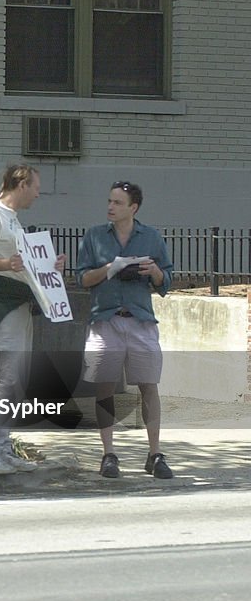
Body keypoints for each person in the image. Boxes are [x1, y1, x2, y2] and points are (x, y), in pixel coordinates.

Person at [0, 163, 64, 474]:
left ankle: (2, 448)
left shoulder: (15, 222)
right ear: (21, 184)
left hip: (19, 305)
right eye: (35, 186)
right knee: (7, 376)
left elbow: (24, 267)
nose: (38, 192)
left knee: (17, 379)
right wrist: (7, 262)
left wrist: (50, 266)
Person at [77, 181, 173, 479]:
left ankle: (154, 454)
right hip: (105, 320)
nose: (110, 207)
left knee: (148, 386)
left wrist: (156, 273)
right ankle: (108, 454)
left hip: (140, 320)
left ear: (133, 208)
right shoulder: (94, 236)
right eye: (109, 201)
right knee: (104, 385)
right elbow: (82, 279)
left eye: (118, 203)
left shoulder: (151, 237)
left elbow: (165, 281)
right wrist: (111, 268)